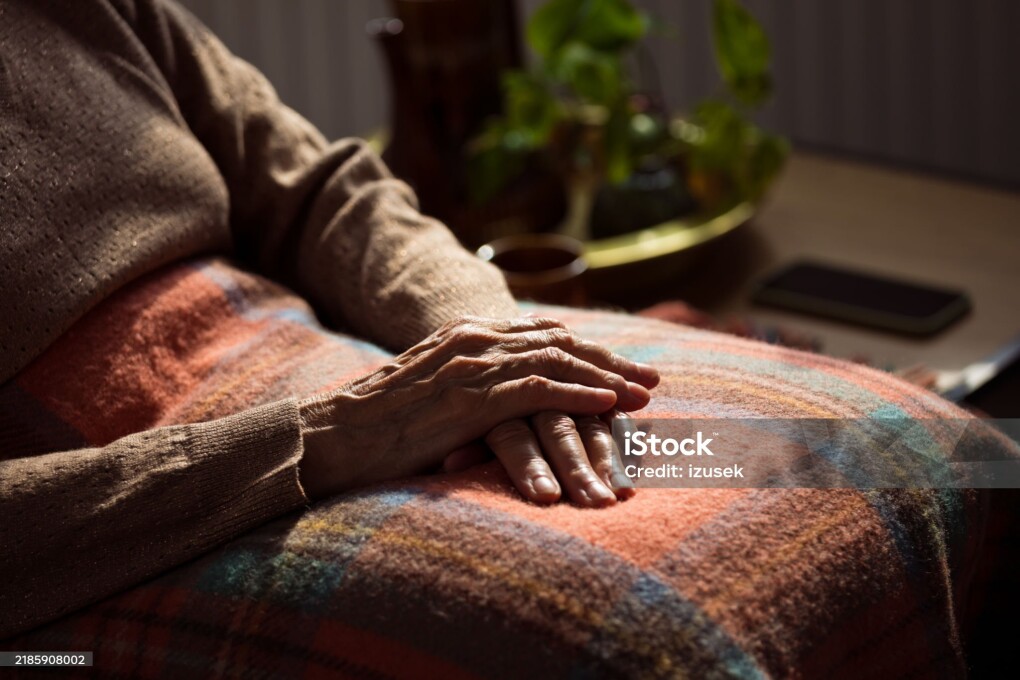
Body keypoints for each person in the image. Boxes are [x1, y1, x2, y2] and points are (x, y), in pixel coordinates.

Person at [0, 0, 659, 636]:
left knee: (759, 457)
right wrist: (326, 438)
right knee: (621, 624)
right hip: (161, 527)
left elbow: (324, 194)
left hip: (367, 382)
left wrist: (491, 340)